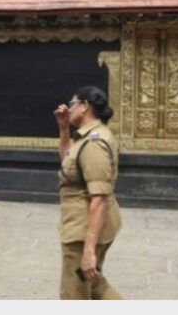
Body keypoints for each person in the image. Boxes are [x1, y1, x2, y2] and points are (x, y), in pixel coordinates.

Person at [53, 85, 123, 300]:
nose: (69, 108)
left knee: (73, 293)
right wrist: (64, 129)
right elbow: (68, 161)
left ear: (84, 106)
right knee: (93, 285)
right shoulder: (85, 136)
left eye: (72, 103)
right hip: (79, 223)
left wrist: (89, 250)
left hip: (83, 230)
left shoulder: (94, 144)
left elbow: (99, 198)